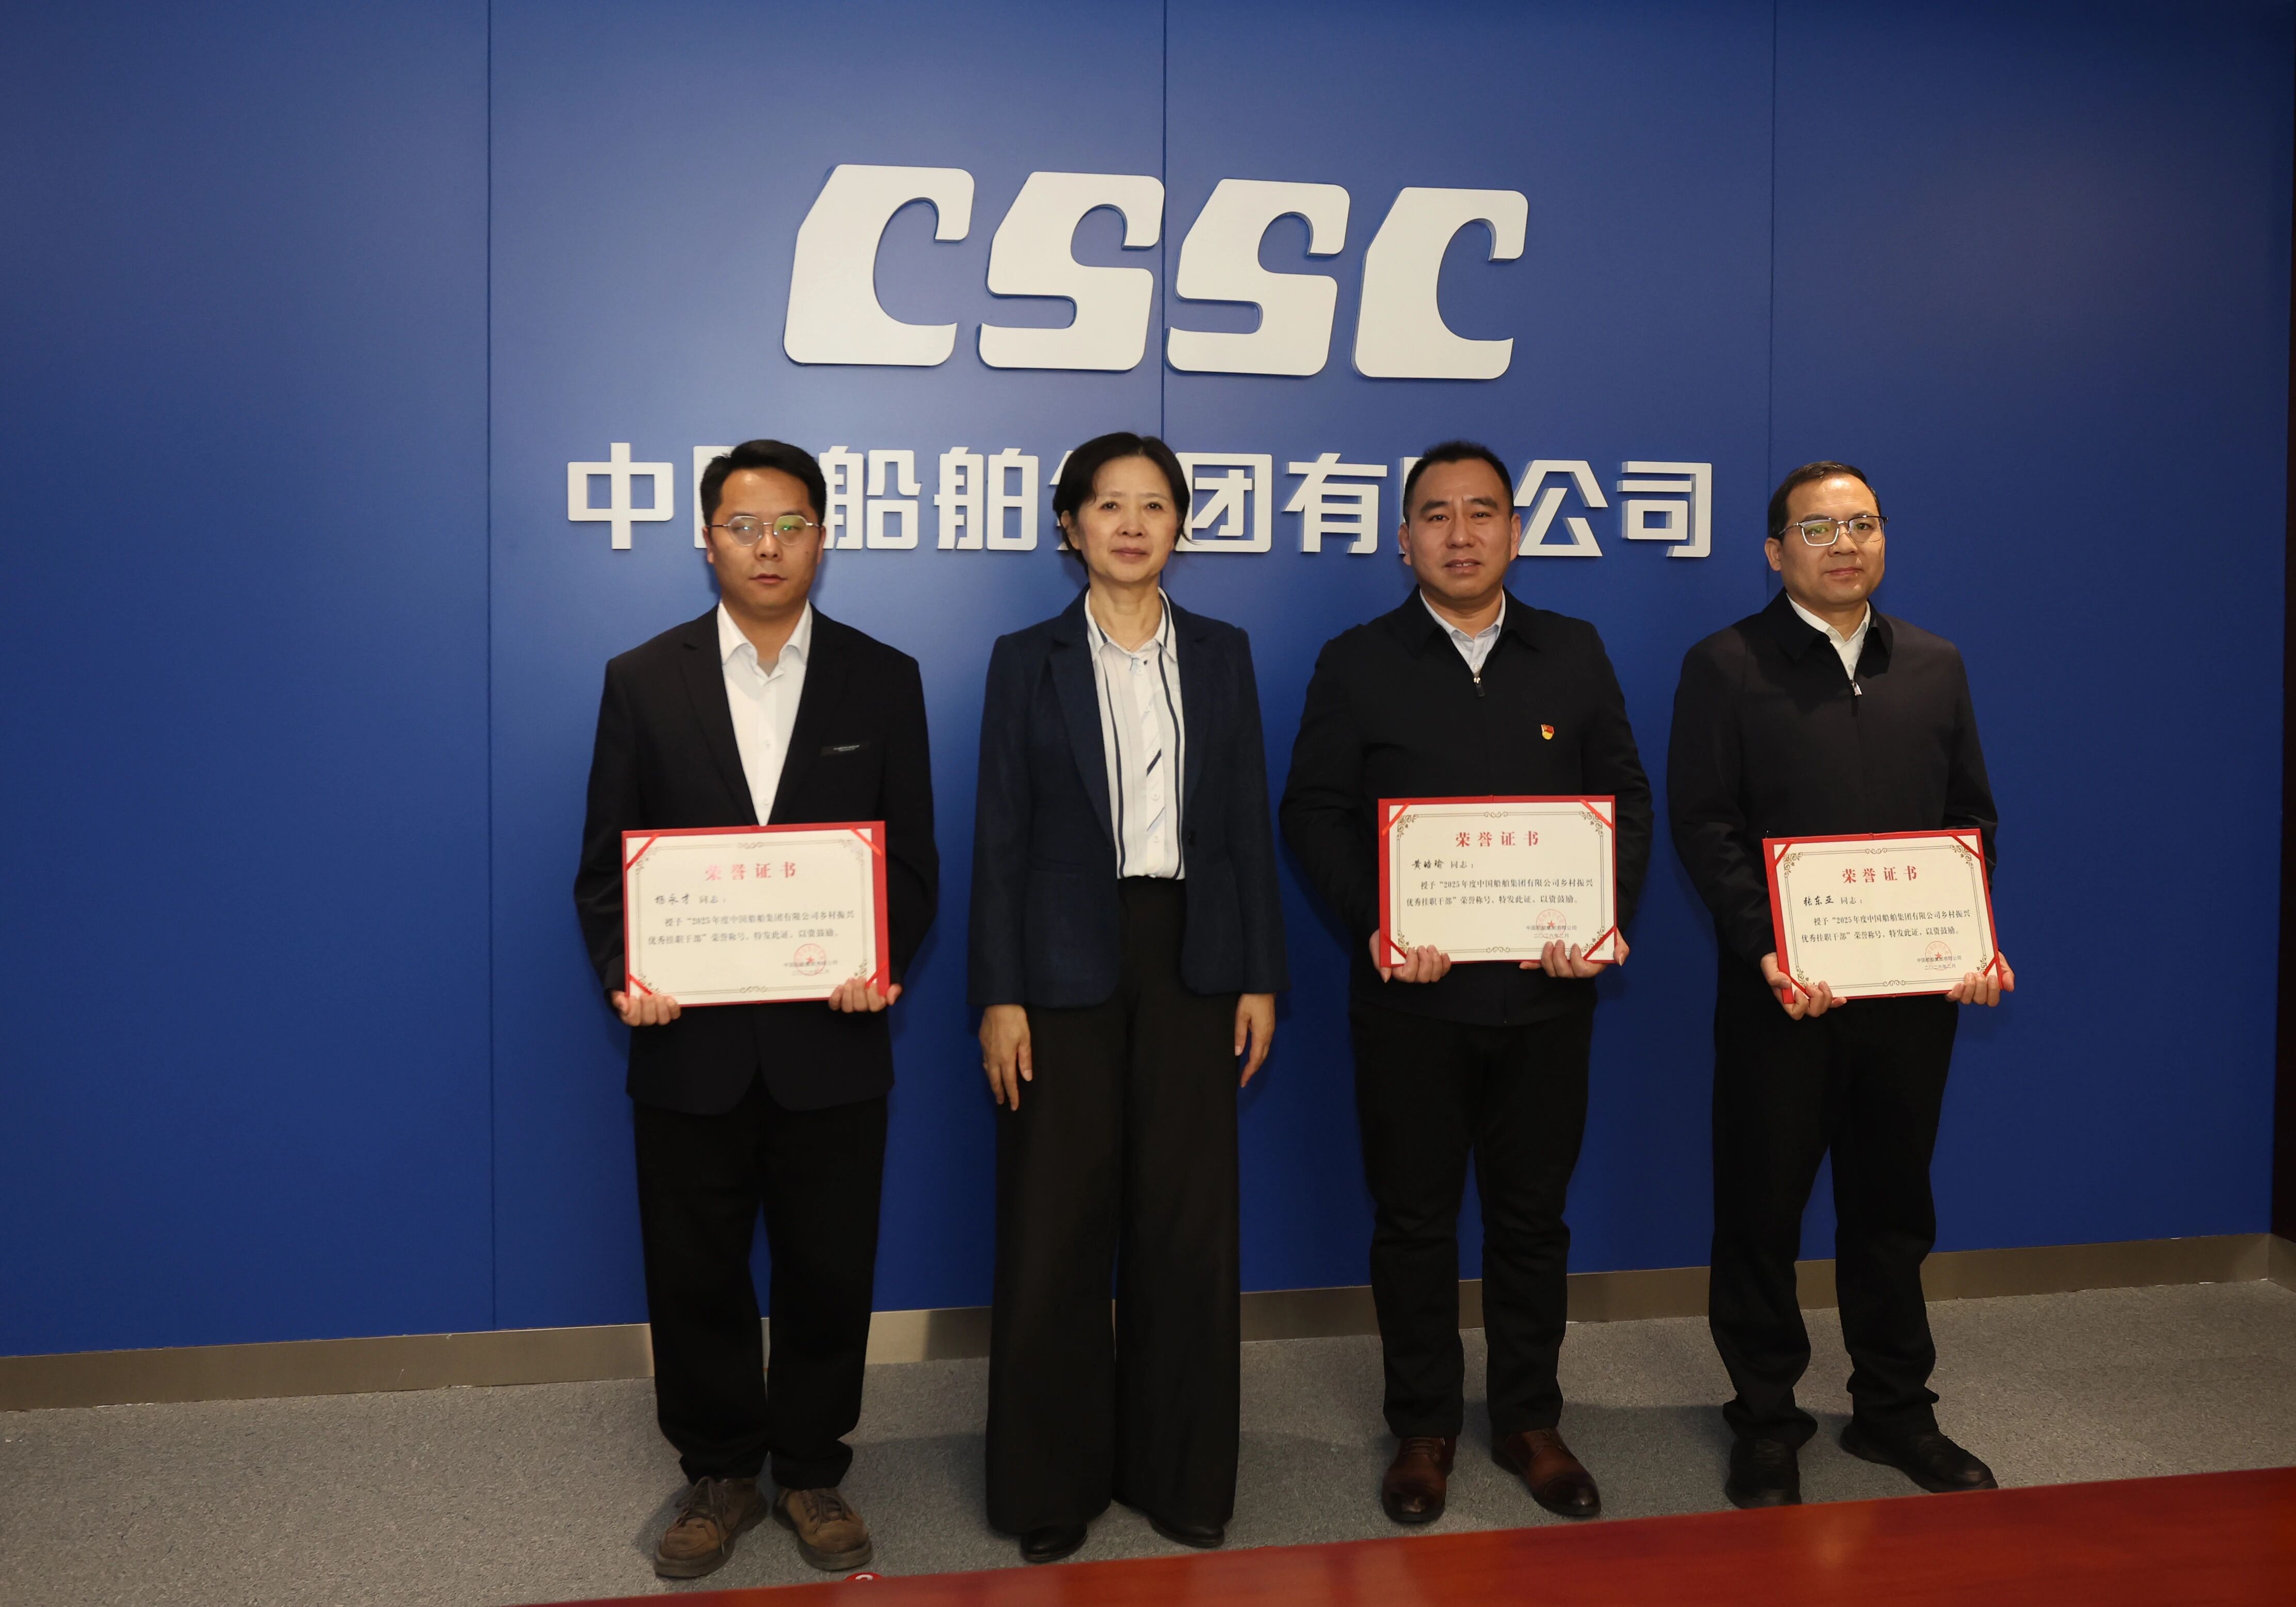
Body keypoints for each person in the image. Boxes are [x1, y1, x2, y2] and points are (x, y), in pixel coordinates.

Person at [573, 439, 937, 1579]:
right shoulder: (644, 677)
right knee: (695, 1268)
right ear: (707, 539)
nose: (767, 546)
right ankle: (721, 1471)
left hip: (836, 1034)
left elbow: (912, 865)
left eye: (790, 524)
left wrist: (882, 959)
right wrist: (628, 973)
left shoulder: (883, 676)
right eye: (743, 525)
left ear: (823, 537)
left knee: (831, 1265)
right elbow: (604, 868)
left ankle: (813, 1468)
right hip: (691, 1041)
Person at [1280, 440, 1653, 1525]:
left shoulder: (1572, 650)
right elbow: (1313, 811)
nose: (1459, 534)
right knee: (1414, 1222)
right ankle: (1424, 1428)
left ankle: (1531, 1419)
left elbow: (1624, 799)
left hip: (1547, 999)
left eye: (1481, 512)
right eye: (1435, 515)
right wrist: (1382, 921)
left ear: (1514, 533)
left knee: (1533, 1220)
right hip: (1412, 1003)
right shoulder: (1357, 661)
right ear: (1403, 540)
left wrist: (1599, 922)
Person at [1668, 460, 2012, 1510]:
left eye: (1861, 523)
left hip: (1910, 999)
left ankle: (1894, 1410)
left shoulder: (1935, 664)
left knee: (1892, 1208)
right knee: (1761, 1211)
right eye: (1817, 528)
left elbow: (1969, 818)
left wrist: (1969, 936)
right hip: (1783, 994)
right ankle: (1765, 1419)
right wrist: (1764, 946)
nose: (1844, 543)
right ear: (1775, 552)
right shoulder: (1726, 664)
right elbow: (1706, 825)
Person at [971, 431, 1288, 1565]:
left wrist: (1261, 973)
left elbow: (1244, 821)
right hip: (1059, 965)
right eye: (1108, 505)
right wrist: (999, 994)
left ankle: (1179, 1472)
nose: (1132, 525)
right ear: (1071, 527)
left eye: (1155, 505)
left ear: (1179, 526)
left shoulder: (1222, 653)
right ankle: (1050, 1483)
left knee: (1185, 1227)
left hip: (1195, 954)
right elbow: (999, 834)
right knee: (1056, 1223)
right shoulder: (1027, 658)